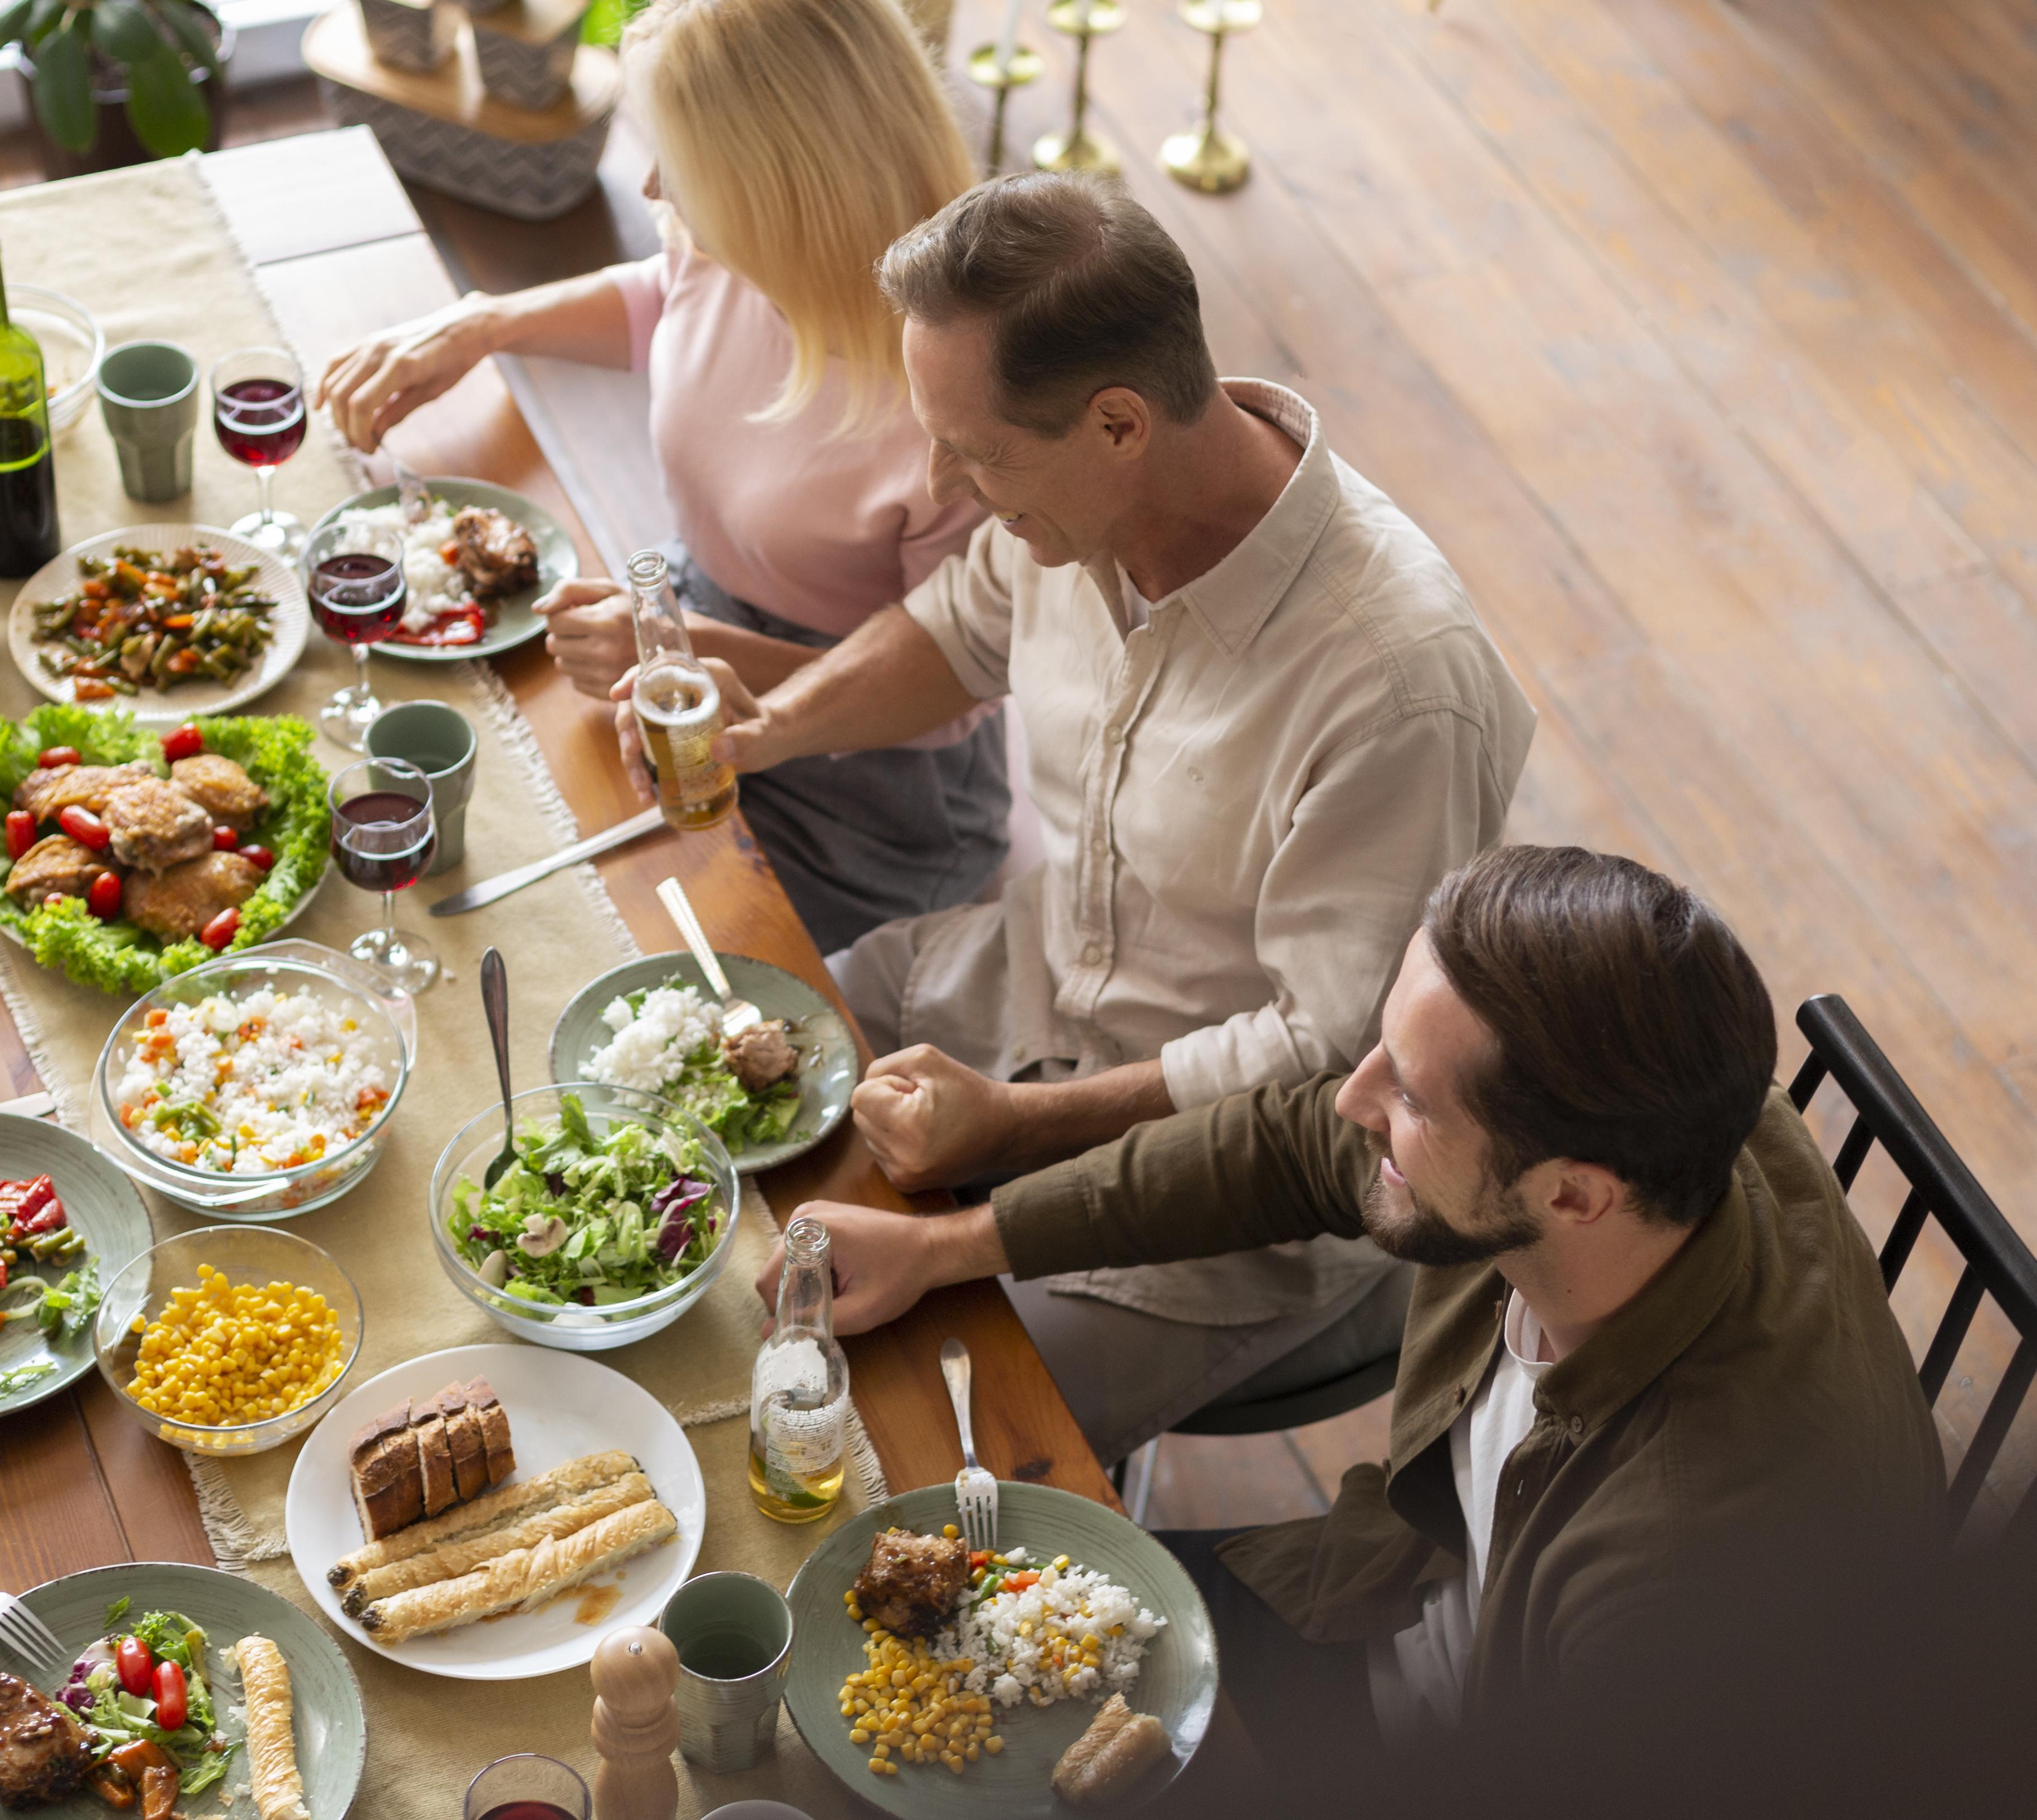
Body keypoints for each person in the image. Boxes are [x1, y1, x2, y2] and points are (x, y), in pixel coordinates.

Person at [648, 169, 1538, 1457]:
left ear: (1119, 423)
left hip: (1233, 1195)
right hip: (1009, 992)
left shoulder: (1397, 686)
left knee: (880, 1440)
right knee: (691, 1107)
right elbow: (958, 632)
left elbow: (1323, 1055)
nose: (943, 485)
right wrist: (767, 727)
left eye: (975, 454)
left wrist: (1015, 1128)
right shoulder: (1068, 506)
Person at [765, 845, 1946, 1760]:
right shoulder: (1649, 1111)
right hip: (1384, 1588)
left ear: (1572, 1195)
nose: (1352, 1100)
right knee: (881, 1657)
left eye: (1412, 1098)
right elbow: (1287, 1145)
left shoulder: (1689, 1578)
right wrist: (951, 1246)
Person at [317, 0, 1008, 952]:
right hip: (682, 652)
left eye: (675, 164)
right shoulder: (733, 246)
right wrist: (484, 325)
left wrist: (681, 649)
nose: (648, 184)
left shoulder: (958, 407)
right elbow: (665, 300)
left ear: (778, 180)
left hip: (865, 785)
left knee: (621, 941)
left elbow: (945, 694)